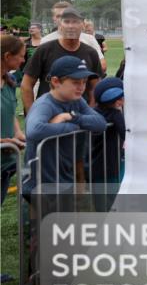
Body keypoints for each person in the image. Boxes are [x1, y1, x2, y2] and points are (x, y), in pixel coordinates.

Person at [23, 56, 105, 198]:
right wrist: (73, 127)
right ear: (55, 81)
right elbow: (34, 130)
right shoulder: (45, 105)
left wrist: (71, 117)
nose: (81, 87)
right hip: (42, 183)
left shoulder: (77, 101)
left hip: (64, 176)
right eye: (75, 82)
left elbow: (100, 123)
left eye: (84, 82)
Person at [21, 7, 101, 111]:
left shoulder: (90, 53)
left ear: (83, 25)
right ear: (60, 25)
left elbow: (94, 88)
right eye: (66, 22)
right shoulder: (44, 50)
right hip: (49, 114)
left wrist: (89, 111)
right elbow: (26, 84)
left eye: (76, 22)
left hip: (79, 115)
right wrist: (32, 114)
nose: (71, 26)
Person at [39, 2, 106, 74]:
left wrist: (80, 75)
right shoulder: (45, 40)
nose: (61, 18)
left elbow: (102, 66)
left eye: (65, 15)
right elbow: (37, 70)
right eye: (58, 16)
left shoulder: (89, 39)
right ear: (54, 18)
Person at [90, 77, 125, 211]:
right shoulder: (115, 114)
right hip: (111, 163)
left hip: (94, 163)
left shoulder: (94, 111)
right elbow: (124, 132)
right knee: (113, 196)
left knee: (98, 197)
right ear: (117, 100)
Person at [1, 35, 27, 204]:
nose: (23, 60)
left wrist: (17, 132)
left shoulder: (10, 82)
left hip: (5, 164)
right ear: (7, 56)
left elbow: (11, 113)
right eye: (20, 56)